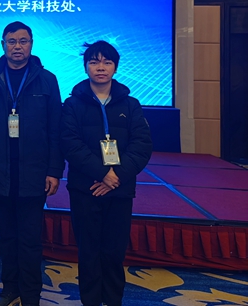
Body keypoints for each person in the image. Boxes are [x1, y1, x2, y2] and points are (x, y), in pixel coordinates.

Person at [0, 21, 64, 306]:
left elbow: (56, 129)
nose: (18, 47)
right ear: (3, 45)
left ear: (31, 44)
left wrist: (54, 170)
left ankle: (31, 294)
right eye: (12, 41)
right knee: (7, 236)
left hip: (34, 172)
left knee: (30, 239)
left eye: (23, 41)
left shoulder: (47, 79)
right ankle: (10, 288)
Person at [60, 41, 152, 306]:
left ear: (115, 67)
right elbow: (70, 144)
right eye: (94, 62)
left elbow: (142, 145)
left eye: (107, 62)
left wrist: (116, 177)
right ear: (85, 67)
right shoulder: (72, 105)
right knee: (88, 252)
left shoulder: (131, 105)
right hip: (85, 188)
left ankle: (113, 301)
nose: (100, 67)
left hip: (120, 189)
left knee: (114, 252)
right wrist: (102, 174)